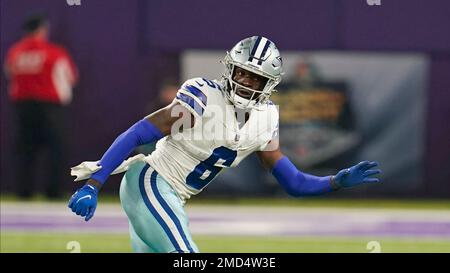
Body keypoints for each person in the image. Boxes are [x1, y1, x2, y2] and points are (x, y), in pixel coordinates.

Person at [68, 36, 381, 253]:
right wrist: (95, 183)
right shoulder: (203, 97)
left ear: (269, 83)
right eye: (242, 73)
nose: (244, 82)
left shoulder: (266, 118)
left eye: (254, 78)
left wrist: (336, 182)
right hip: (150, 182)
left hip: (174, 198)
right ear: (230, 68)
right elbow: (138, 133)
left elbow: (294, 183)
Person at [4, 13, 78, 198]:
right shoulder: (54, 52)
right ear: (42, 30)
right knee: (56, 149)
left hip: (23, 107)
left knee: (25, 150)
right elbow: (70, 76)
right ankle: (54, 191)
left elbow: (9, 75)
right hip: (49, 106)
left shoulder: (15, 52)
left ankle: (23, 191)